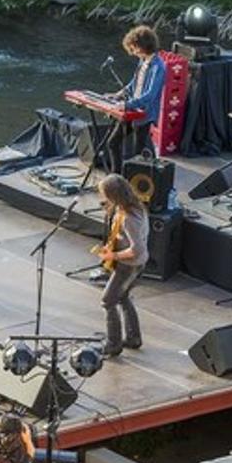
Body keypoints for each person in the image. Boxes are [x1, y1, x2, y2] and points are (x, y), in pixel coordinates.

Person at [93, 174, 149, 356]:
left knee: (108, 300)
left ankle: (113, 343)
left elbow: (136, 249)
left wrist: (113, 255)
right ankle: (133, 338)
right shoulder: (132, 207)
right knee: (123, 296)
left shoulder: (130, 219)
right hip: (134, 263)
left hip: (129, 265)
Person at [107, 25, 166, 172]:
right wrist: (118, 94)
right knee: (112, 143)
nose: (133, 52)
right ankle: (117, 178)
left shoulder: (159, 67)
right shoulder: (143, 61)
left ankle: (135, 186)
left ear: (143, 46)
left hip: (144, 113)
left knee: (137, 154)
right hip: (131, 109)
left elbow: (150, 95)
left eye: (135, 48)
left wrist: (127, 105)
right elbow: (134, 83)